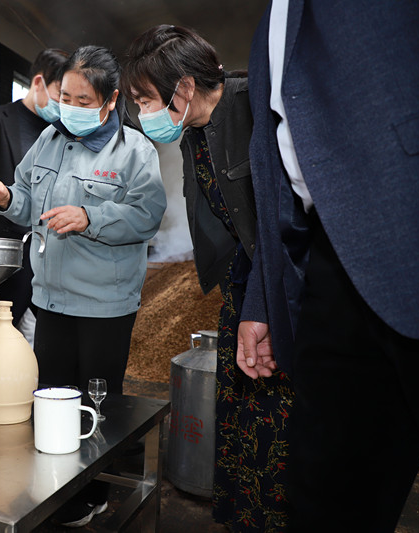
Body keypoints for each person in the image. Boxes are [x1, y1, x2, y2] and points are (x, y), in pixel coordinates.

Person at [241, 1, 419, 531]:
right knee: (325, 497)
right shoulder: (271, 25)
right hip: (331, 260)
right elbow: (280, 172)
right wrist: (263, 298)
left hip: (416, 224)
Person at [122, 25, 293, 531]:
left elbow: (280, 219)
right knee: (236, 407)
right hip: (242, 285)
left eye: (145, 99)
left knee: (276, 413)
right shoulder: (195, 133)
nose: (143, 112)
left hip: (280, 288)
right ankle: (241, 516)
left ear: (185, 88)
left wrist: (262, 303)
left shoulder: (254, 106)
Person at [0, 45, 167, 527]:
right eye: (65, 95)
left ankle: (96, 491)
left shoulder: (135, 151)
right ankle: (55, 488)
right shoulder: (48, 140)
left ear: (110, 103)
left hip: (105, 304)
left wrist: (90, 215)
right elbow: (27, 200)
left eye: (83, 100)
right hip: (52, 299)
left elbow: (147, 215)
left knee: (97, 404)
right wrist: (7, 197)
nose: (70, 106)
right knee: (53, 395)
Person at [0, 48, 68, 332]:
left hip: (53, 273)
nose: (64, 104)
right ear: (39, 83)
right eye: (60, 94)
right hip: (3, 269)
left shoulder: (61, 137)